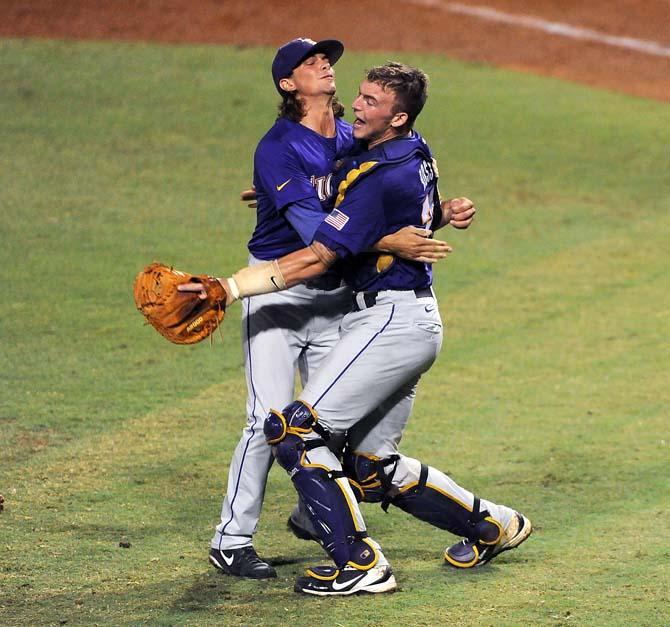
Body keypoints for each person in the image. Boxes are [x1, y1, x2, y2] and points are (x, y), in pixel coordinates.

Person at [184, 62, 531, 595]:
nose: (356, 105)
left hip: (387, 321)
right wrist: (288, 198)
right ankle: (493, 524)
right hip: (410, 322)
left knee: (293, 432)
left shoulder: (375, 174)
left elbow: (316, 256)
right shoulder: (410, 149)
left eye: (370, 101)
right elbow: (356, 191)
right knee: (371, 466)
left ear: (397, 117)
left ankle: (360, 565)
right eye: (360, 95)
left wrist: (228, 288)